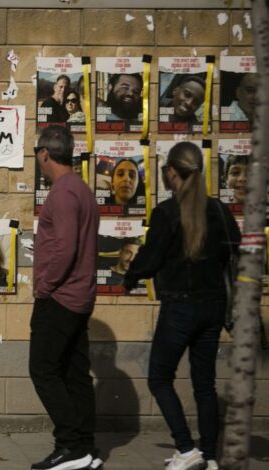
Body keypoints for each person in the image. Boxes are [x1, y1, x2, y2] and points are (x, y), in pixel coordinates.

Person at [123, 141, 240, 470]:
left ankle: (187, 449)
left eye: (165, 170)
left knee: (159, 378)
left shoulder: (166, 212)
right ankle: (210, 457)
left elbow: (149, 260)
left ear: (172, 171)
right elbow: (236, 253)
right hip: (214, 307)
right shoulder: (219, 210)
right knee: (205, 384)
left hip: (180, 310)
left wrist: (130, 277)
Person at [30, 125, 99, 470]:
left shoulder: (62, 194)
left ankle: (70, 444)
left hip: (59, 298)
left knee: (42, 369)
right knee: (75, 372)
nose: (38, 163)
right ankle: (86, 448)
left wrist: (44, 286)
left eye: (37, 156)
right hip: (80, 296)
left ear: (45, 154)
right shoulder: (82, 190)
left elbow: (66, 248)